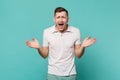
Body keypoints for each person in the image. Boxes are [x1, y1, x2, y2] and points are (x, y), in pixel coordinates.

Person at [26, 7, 96, 80]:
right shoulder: (47, 32)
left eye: (63, 17)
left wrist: (83, 47)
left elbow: (78, 55)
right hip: (52, 74)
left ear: (68, 19)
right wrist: (39, 48)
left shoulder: (76, 31)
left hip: (70, 74)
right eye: (58, 17)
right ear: (54, 19)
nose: (60, 20)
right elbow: (44, 55)